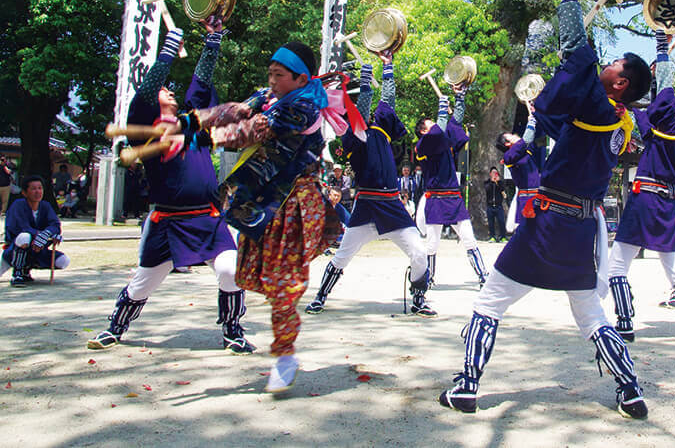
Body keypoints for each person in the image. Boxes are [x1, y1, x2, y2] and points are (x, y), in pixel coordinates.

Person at [439, 0, 653, 419]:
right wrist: (542, 97)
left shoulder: (601, 107)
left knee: (491, 300)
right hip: (579, 226)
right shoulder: (614, 121)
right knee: (590, 313)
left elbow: (578, 56)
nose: (606, 67)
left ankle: (467, 385)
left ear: (619, 85)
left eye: (612, 68)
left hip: (550, 221)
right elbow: (560, 114)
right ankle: (629, 389)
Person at [172, 40, 340, 393]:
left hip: (294, 203)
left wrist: (197, 139)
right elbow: (232, 112)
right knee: (255, 275)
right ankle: (282, 345)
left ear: (300, 78)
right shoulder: (271, 96)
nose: (272, 80)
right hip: (265, 202)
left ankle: (285, 355)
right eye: (271, 74)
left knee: (283, 282)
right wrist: (187, 122)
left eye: (279, 75)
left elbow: (249, 131)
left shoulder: (304, 107)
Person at [87, 24, 255, 355]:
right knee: (142, 284)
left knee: (230, 269)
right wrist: (170, 45)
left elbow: (202, 81)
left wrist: (213, 38)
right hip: (167, 224)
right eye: (165, 91)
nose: (170, 92)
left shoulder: (191, 125)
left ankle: (233, 330)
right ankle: (115, 328)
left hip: (208, 220)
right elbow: (148, 89)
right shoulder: (145, 134)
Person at [305, 52, 436, 318]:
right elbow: (362, 109)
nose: (367, 110)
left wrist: (387, 67)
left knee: (419, 252)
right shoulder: (352, 135)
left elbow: (387, 100)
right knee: (342, 256)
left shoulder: (382, 130)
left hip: (391, 205)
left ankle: (419, 298)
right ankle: (320, 296)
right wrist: (365, 79)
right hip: (366, 206)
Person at [607, 29, 675, 344]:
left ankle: (625, 323)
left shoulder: (670, 122)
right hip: (666, 203)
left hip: (645, 199)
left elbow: (662, 93)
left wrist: (662, 47)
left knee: (618, 264)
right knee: (673, 268)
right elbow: (644, 113)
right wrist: (650, 77)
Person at [414, 81, 487, 287]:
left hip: (452, 197)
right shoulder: (423, 145)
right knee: (432, 244)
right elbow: (440, 129)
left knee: (469, 239)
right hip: (435, 198)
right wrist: (441, 110)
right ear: (423, 131)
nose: (436, 126)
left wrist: (460, 97)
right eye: (431, 124)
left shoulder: (442, 140)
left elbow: (455, 123)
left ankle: (483, 276)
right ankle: (427, 278)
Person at [1, 175, 68, 286]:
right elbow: (20, 227)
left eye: (40, 188)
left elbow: (55, 225)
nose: (37, 192)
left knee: (63, 261)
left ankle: (27, 270)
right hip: (15, 249)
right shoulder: (18, 205)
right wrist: (38, 235)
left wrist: (46, 234)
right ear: (24, 192)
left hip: (39, 250)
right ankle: (17, 273)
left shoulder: (45, 206)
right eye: (33, 188)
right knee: (24, 237)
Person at [494, 103, 541, 238]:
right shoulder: (510, 155)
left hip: (535, 196)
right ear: (507, 144)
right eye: (511, 136)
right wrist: (531, 121)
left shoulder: (521, 151)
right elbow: (527, 138)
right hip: (527, 198)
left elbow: (530, 138)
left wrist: (534, 116)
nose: (515, 135)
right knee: (527, 235)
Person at [484, 167, 506, 242]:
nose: (494, 174)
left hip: (498, 205)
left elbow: (503, 190)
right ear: (490, 174)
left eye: (495, 173)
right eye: (493, 173)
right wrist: (492, 182)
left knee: (501, 221)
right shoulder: (487, 182)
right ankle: (492, 236)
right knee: (491, 222)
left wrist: (498, 183)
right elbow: (487, 190)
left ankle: (503, 237)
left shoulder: (501, 183)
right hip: (490, 206)